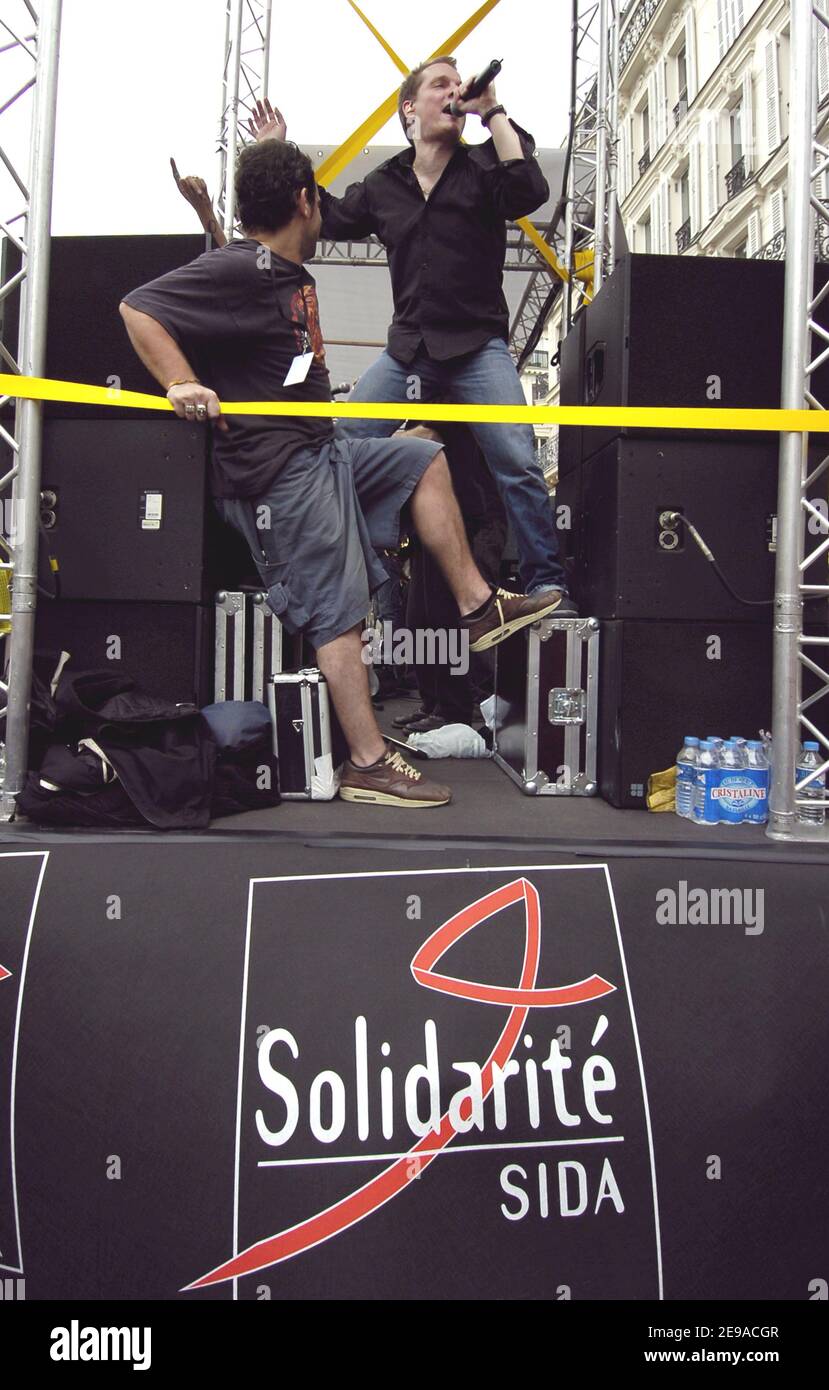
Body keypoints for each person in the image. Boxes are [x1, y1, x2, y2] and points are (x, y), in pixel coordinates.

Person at [120, 139, 562, 809]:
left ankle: (477, 606)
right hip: (280, 474)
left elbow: (227, 279)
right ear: (303, 201)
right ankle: (367, 761)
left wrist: (210, 219)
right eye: (316, 198)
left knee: (422, 458)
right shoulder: (250, 267)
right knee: (340, 616)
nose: (323, 209)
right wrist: (179, 380)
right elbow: (138, 306)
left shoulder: (271, 269)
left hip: (321, 452)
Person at [240, 59, 574, 611]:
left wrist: (490, 108)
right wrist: (283, 149)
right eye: (440, 84)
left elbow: (529, 189)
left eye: (457, 83)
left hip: (476, 348)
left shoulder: (486, 166)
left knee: (517, 460)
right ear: (409, 110)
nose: (453, 90)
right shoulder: (383, 184)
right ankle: (325, 564)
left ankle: (546, 583)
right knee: (333, 443)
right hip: (409, 353)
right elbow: (327, 214)